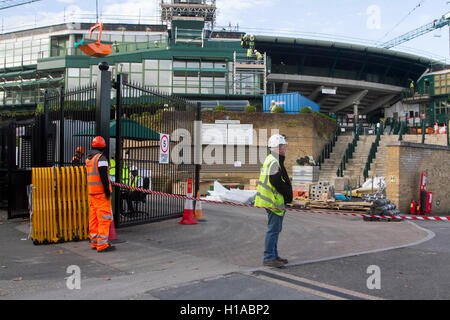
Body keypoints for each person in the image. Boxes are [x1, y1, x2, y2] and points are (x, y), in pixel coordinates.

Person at [255, 134, 292, 268]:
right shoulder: (274, 161)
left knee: (275, 230)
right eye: (283, 146)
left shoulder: (272, 159)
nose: (285, 148)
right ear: (278, 147)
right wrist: (286, 193)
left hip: (273, 200)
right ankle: (269, 257)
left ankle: (274, 255)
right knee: (273, 230)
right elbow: (275, 181)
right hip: (274, 201)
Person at [85, 136, 116, 253]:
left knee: (93, 219)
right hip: (101, 194)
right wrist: (107, 191)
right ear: (103, 146)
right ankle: (102, 245)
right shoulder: (101, 158)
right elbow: (103, 176)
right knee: (104, 218)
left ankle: (94, 242)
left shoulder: (88, 159)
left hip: (92, 193)